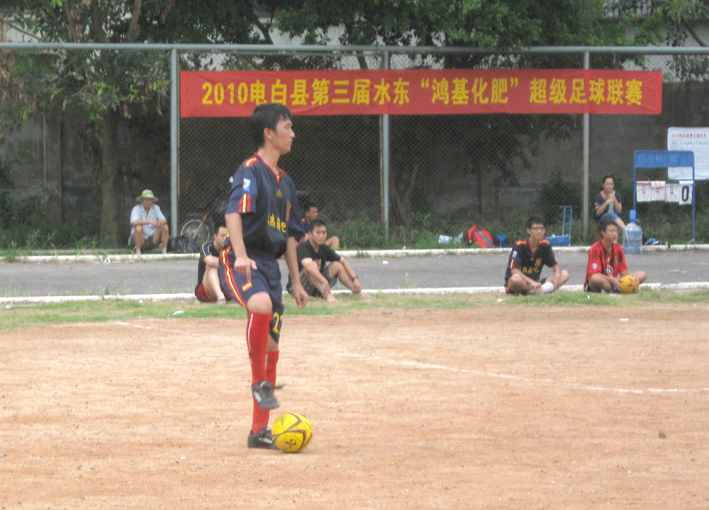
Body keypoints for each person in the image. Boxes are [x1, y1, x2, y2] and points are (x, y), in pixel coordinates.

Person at [217, 103, 308, 450]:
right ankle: (259, 383)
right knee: (260, 305)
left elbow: (290, 238)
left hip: (269, 265)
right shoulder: (250, 170)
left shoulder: (286, 182)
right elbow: (233, 214)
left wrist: (296, 281)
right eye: (287, 127)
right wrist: (240, 255)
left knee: (271, 348)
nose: (292, 133)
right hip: (244, 259)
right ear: (269, 133)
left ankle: (259, 432)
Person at [288, 218, 370, 302]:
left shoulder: (323, 248)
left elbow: (343, 261)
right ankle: (328, 296)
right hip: (298, 286)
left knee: (337, 265)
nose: (321, 236)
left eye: (324, 233)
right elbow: (308, 266)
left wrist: (355, 278)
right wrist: (324, 281)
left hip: (318, 285)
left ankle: (357, 291)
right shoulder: (302, 247)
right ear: (310, 234)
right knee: (311, 267)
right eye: (318, 232)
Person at [504, 215, 570, 296]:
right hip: (523, 281)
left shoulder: (545, 244)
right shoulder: (519, 245)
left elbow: (555, 264)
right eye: (536, 228)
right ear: (529, 230)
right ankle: (539, 290)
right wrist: (532, 282)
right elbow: (514, 270)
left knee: (565, 274)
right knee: (515, 279)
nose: (539, 231)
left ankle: (538, 291)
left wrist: (557, 275)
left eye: (542, 228)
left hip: (536, 281)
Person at [585, 218, 647, 292]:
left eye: (616, 231)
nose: (615, 234)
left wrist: (631, 278)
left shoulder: (619, 249)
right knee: (595, 278)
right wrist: (611, 279)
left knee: (642, 275)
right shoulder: (595, 249)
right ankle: (617, 289)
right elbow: (593, 274)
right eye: (611, 231)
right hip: (603, 281)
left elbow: (623, 271)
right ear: (603, 233)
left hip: (614, 281)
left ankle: (618, 288)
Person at [194, 223, 228, 304]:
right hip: (206, 288)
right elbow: (210, 261)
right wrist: (230, 264)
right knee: (211, 267)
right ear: (215, 236)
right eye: (222, 236)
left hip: (225, 285)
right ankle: (220, 296)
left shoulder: (230, 247)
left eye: (227, 236)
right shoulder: (207, 246)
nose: (225, 238)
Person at [129, 189, 170, 255]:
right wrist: (149, 221)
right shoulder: (136, 208)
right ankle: (138, 252)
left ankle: (164, 252)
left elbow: (164, 220)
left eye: (150, 200)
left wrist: (159, 222)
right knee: (138, 228)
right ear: (142, 200)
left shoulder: (156, 207)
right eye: (146, 200)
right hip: (139, 238)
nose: (148, 202)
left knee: (165, 227)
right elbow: (134, 222)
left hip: (152, 238)